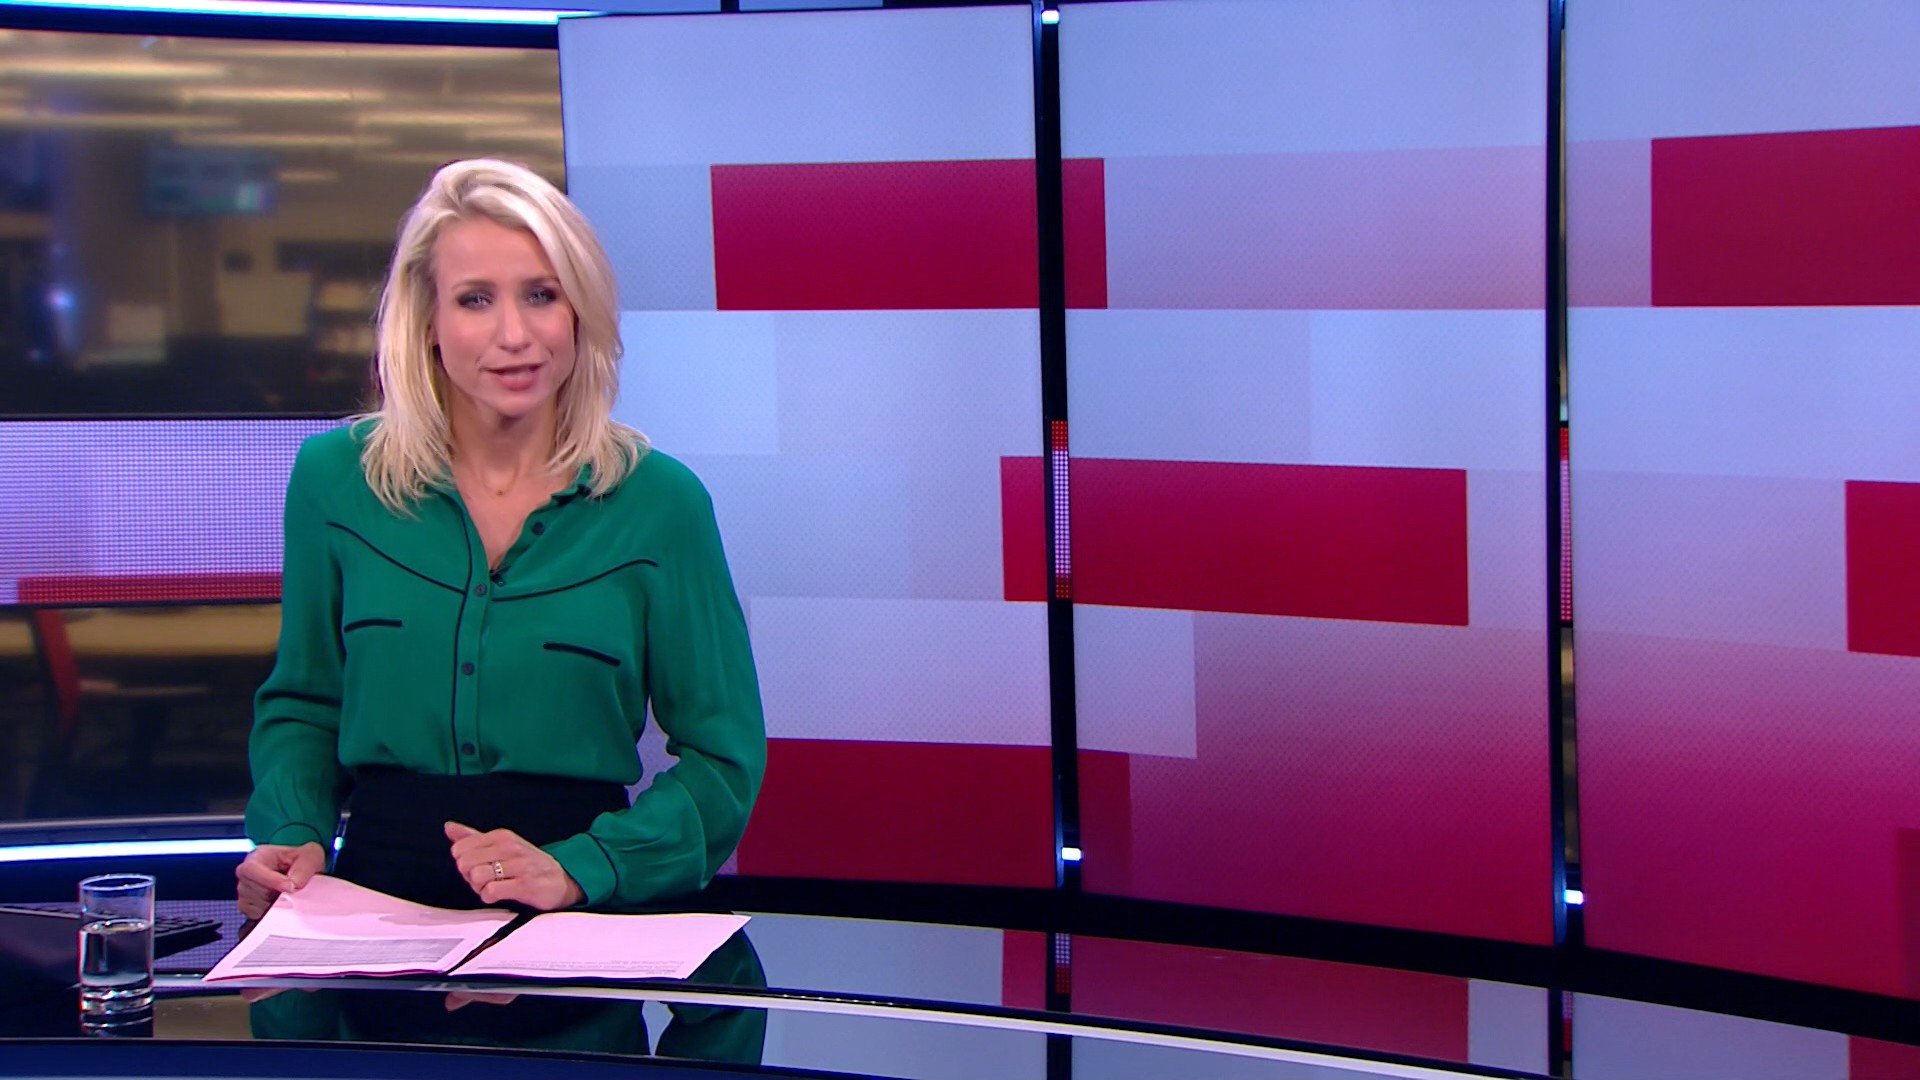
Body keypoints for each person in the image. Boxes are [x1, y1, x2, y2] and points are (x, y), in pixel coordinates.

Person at [235, 158, 765, 919]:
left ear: (579, 311)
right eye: (476, 299)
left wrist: (583, 866)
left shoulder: (662, 504)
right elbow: (304, 704)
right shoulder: (335, 481)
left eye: (541, 295)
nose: (514, 335)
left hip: (575, 905)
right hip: (371, 903)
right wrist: (292, 832)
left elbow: (724, 760)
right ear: (428, 320)